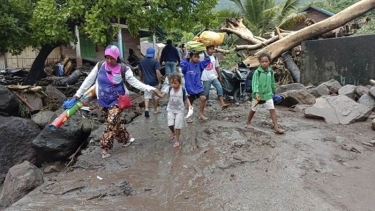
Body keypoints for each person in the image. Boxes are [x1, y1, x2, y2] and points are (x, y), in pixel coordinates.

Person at [74, 45, 162, 158]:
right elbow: (89, 80)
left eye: (112, 58)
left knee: (111, 123)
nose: (109, 60)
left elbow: (135, 83)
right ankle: (126, 139)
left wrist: (150, 88)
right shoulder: (100, 66)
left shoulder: (123, 69)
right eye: (107, 57)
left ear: (117, 57)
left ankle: (105, 148)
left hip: (116, 101)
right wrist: (78, 94)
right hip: (102, 102)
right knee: (116, 123)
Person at [245, 53, 285, 134]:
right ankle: (248, 122)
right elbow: (255, 83)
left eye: (266, 61)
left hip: (267, 95)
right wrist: (256, 92)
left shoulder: (270, 72)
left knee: (272, 110)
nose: (264, 63)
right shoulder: (257, 72)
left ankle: (276, 127)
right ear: (260, 62)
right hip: (258, 95)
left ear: (269, 62)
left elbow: (272, 82)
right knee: (253, 109)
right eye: (262, 62)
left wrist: (274, 91)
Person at [158, 73, 191, 148]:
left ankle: (177, 140)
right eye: (172, 83)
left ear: (180, 82)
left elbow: (186, 98)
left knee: (178, 126)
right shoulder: (169, 88)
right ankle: (173, 132)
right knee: (170, 124)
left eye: (175, 83)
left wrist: (190, 105)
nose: (173, 85)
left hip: (180, 110)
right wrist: (156, 93)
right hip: (170, 109)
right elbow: (162, 96)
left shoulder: (182, 89)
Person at [181, 51, 211, 122]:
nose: (197, 58)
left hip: (198, 86)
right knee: (190, 103)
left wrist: (204, 51)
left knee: (203, 98)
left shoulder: (200, 65)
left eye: (198, 57)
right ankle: (189, 116)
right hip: (190, 87)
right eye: (195, 57)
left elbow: (208, 60)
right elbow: (182, 66)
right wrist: (187, 56)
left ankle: (200, 114)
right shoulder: (187, 65)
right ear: (191, 57)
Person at [138, 47, 162, 118]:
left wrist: (141, 79)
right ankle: (155, 109)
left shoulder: (142, 61)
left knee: (147, 95)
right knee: (156, 95)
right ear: (153, 53)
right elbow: (158, 72)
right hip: (155, 82)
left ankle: (146, 109)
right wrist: (160, 82)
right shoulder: (155, 62)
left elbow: (140, 71)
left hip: (146, 82)